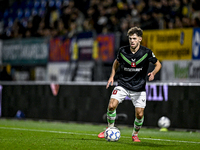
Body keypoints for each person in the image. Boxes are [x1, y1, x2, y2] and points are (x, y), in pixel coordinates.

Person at [98, 27, 162, 142]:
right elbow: (116, 63)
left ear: (140, 39)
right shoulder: (122, 51)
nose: (132, 41)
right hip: (123, 84)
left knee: (139, 114)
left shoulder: (146, 52)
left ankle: (135, 134)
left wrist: (153, 72)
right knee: (111, 105)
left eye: (134, 38)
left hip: (139, 88)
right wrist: (112, 76)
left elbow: (158, 64)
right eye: (130, 38)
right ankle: (110, 128)